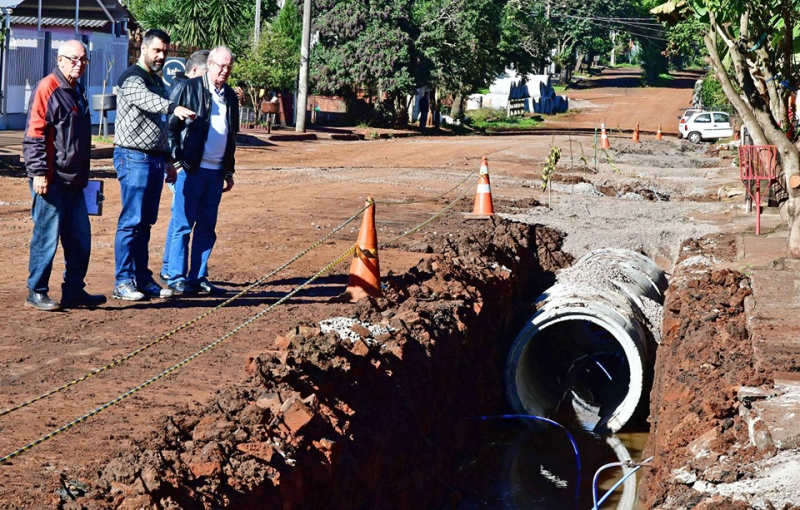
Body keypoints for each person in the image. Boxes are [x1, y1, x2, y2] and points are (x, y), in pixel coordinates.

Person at [23, 40, 107, 311]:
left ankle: (74, 291)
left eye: (83, 60)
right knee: (46, 239)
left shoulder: (77, 90)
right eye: (73, 59)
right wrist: (38, 172)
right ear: (59, 60)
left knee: (80, 240)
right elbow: (35, 134)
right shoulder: (48, 88)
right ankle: (36, 291)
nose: (79, 64)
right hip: (51, 179)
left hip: (75, 182)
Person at [112, 29, 195, 301]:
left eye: (164, 51)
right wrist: (173, 107)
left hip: (155, 159)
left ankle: (142, 278)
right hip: (133, 157)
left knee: (146, 222)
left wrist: (168, 160)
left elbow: (158, 127)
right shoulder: (132, 77)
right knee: (131, 222)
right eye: (157, 50)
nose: (161, 55)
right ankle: (123, 281)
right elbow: (147, 102)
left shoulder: (156, 79)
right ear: (143, 49)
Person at [166, 45, 238, 295]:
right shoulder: (189, 88)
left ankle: (198, 277)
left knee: (207, 227)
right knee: (183, 224)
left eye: (229, 66)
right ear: (209, 64)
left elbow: (231, 136)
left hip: (215, 173)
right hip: (191, 169)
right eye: (221, 65)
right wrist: (176, 162)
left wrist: (229, 171)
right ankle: (176, 277)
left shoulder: (230, 96)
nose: (225, 70)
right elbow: (171, 128)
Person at [160, 49, 210, 283]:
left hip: (194, 164)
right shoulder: (184, 89)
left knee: (180, 216)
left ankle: (171, 266)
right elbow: (169, 129)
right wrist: (176, 162)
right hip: (183, 165)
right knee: (183, 219)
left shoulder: (201, 91)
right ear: (194, 71)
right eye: (207, 73)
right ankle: (171, 269)